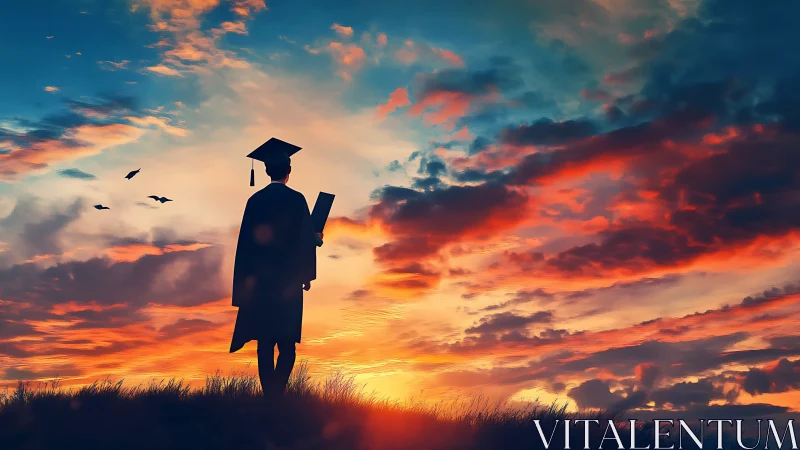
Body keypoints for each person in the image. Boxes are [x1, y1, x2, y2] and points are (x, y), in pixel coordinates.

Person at [229, 138, 321, 398]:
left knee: (265, 343)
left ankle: (269, 395)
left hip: (260, 285)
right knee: (287, 344)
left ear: (267, 170)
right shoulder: (297, 200)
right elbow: (305, 240)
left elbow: (245, 245)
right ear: (288, 171)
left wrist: (244, 287)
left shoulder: (254, 201)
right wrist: (307, 274)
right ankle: (276, 395)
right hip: (288, 285)